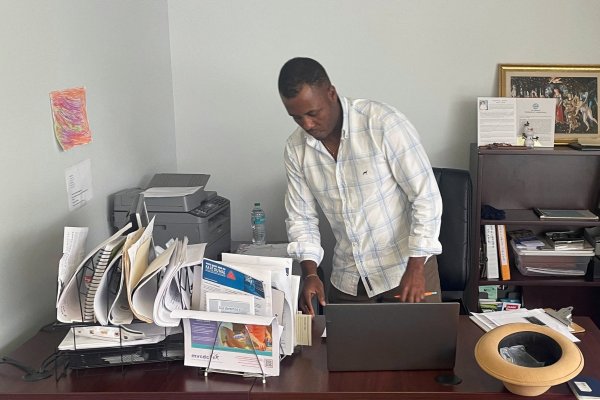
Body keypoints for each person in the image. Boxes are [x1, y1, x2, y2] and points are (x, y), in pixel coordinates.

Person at [278, 57, 443, 316]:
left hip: (407, 270)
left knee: (422, 355)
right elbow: (301, 218)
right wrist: (310, 273)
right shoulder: (296, 149)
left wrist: (417, 267)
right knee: (348, 356)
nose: (307, 125)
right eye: (296, 117)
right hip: (349, 279)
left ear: (331, 93)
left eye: (312, 113)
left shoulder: (382, 123)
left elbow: (426, 196)